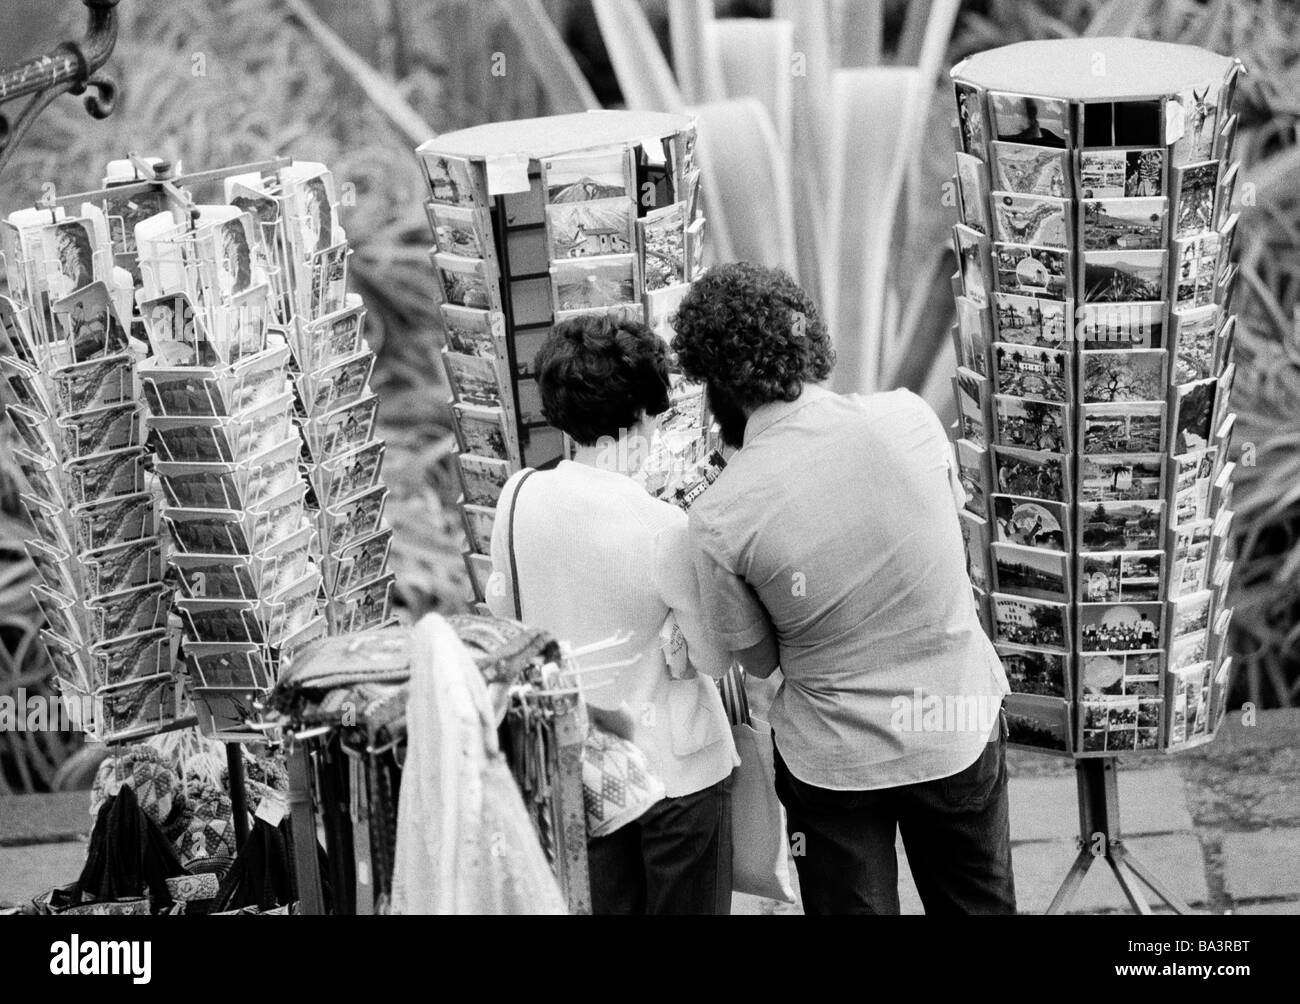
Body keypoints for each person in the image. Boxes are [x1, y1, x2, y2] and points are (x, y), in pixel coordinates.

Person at [672, 262, 1015, 915]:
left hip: (834, 764)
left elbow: (761, 661)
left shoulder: (718, 516)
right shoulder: (909, 419)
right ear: (807, 345)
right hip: (956, 727)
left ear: (714, 383)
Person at [487, 313, 738, 915]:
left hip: (576, 775)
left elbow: (506, 619)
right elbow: (712, 655)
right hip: (674, 778)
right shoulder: (665, 527)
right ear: (645, 419)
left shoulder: (516, 499)